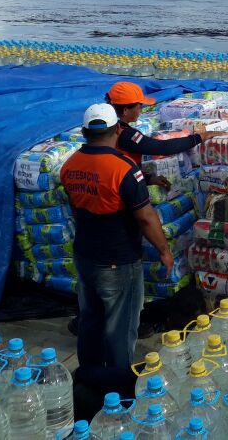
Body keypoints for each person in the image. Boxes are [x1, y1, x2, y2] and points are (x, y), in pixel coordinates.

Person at [61, 103, 174, 370]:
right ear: (116, 130)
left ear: (84, 132)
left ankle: (89, 373)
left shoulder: (70, 165)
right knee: (121, 327)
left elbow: (95, 189)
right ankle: (118, 383)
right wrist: (164, 251)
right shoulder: (123, 168)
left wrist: (145, 179)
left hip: (85, 254)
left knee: (90, 318)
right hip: (118, 260)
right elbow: (145, 217)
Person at [105, 81, 221, 183]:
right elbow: (162, 148)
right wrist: (199, 138)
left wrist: (148, 179)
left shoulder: (108, 128)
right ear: (125, 110)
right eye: (139, 106)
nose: (141, 110)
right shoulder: (126, 134)